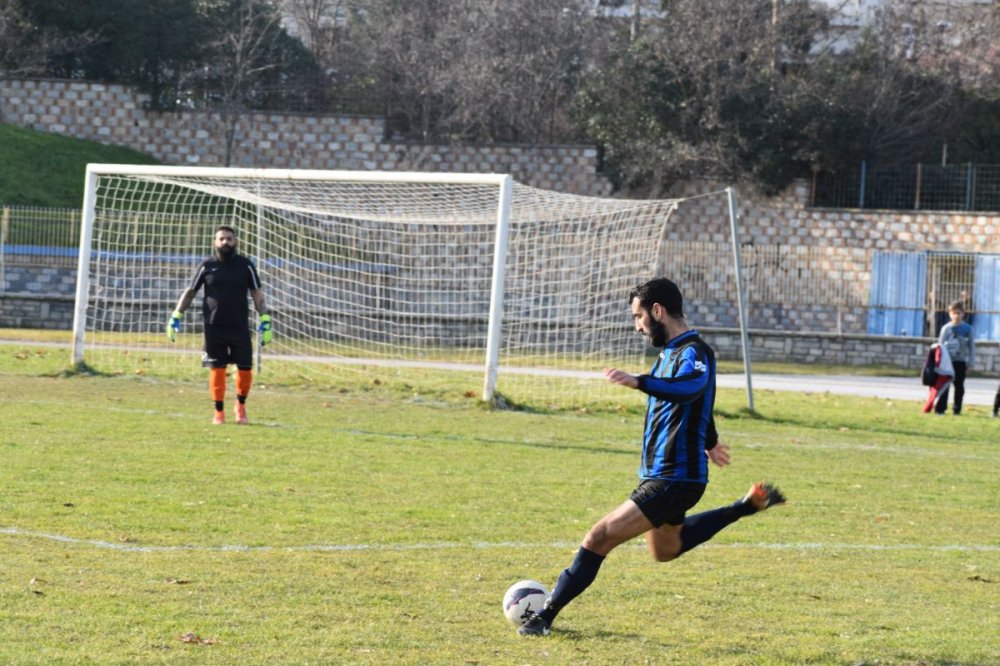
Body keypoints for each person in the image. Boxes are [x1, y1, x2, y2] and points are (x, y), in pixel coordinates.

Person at [518, 277, 785, 637]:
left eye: (638, 316)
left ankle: (543, 617)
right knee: (665, 550)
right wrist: (711, 440)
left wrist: (638, 381)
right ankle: (745, 506)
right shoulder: (669, 355)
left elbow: (691, 389)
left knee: (598, 537)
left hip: (675, 478)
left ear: (658, 311)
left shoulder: (695, 352)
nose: (638, 325)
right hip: (666, 476)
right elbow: (697, 405)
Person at [167, 225, 272, 425]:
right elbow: (191, 291)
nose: (225, 242)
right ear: (214, 242)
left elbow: (256, 292)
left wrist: (265, 318)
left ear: (236, 242)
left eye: (229, 239)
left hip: (240, 326)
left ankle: (240, 406)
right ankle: (219, 412)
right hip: (213, 327)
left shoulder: (246, 265)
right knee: (217, 369)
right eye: (221, 238)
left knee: (245, 369)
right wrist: (176, 315)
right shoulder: (207, 266)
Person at [935, 300, 975, 416]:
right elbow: (940, 345)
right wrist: (938, 362)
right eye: (954, 313)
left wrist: (971, 362)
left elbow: (972, 346)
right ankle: (940, 409)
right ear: (949, 314)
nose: (956, 316)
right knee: (945, 386)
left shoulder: (968, 329)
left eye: (959, 313)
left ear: (963, 314)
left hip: (960, 362)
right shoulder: (946, 329)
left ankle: (957, 409)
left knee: (959, 386)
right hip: (947, 362)